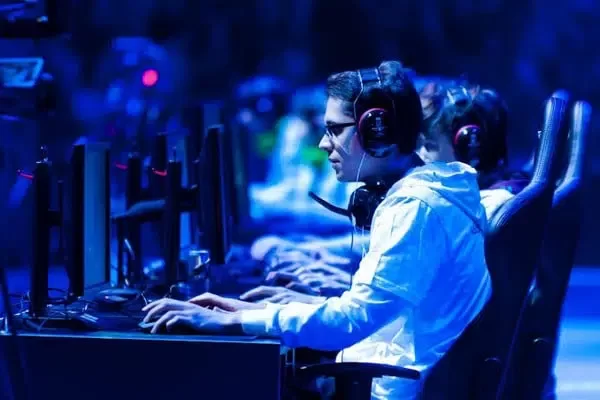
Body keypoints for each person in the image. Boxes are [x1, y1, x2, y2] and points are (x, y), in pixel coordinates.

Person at [142, 61, 491, 399]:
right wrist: (258, 311)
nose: (324, 144)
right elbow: (383, 312)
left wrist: (234, 321)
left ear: (377, 132)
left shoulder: (415, 206)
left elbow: (353, 320)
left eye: (335, 130)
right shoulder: (429, 194)